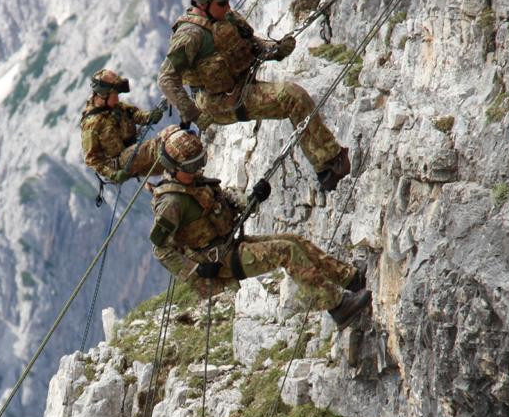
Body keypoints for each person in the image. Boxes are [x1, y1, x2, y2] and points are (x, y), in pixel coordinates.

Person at [148, 127, 371, 328]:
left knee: (293, 241)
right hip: (217, 261)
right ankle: (338, 306)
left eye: (200, 161)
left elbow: (223, 200)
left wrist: (252, 198)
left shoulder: (193, 181)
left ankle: (349, 278)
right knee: (286, 251)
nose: (197, 168)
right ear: (174, 168)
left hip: (228, 245)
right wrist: (196, 270)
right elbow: (161, 249)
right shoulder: (171, 203)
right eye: (191, 166)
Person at [158, 0, 351, 192]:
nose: (228, 7)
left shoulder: (227, 18)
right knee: (292, 97)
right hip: (219, 102)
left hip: (242, 86)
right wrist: (194, 114)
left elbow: (253, 43)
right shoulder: (190, 35)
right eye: (222, 3)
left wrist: (275, 50)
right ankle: (329, 165)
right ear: (204, 4)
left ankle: (327, 163)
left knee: (293, 97)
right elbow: (166, 78)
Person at [80, 69, 165, 183]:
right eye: (114, 95)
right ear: (103, 95)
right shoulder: (91, 124)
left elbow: (136, 115)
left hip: (133, 154)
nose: (117, 98)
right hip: (117, 164)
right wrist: (113, 175)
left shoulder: (118, 107)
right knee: (161, 147)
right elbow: (91, 159)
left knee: (168, 162)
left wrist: (150, 116)